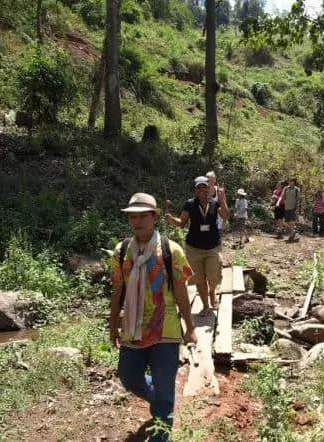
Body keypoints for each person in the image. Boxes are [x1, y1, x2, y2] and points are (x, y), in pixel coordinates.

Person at [109, 192, 197, 442]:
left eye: (142, 216)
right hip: (132, 328)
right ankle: (158, 397)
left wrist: (189, 326)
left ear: (154, 217)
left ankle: (162, 424)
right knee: (129, 378)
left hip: (166, 329)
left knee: (165, 388)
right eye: (132, 217)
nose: (136, 221)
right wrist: (112, 325)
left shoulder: (171, 250)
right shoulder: (121, 251)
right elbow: (117, 291)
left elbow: (181, 292)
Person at [167, 176, 229, 312]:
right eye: (199, 187)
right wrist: (171, 219)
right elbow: (181, 223)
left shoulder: (215, 203)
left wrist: (222, 199)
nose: (202, 190)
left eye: (204, 187)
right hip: (194, 249)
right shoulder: (189, 204)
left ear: (209, 188)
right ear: (195, 190)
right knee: (199, 279)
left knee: (213, 277)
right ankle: (206, 306)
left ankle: (212, 292)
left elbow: (225, 216)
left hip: (213, 247)